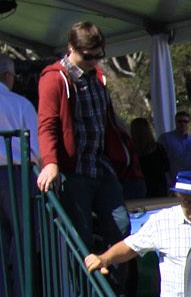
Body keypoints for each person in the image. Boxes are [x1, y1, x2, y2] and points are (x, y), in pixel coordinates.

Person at [36, 21, 131, 253]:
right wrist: (50, 162)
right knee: (80, 236)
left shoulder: (98, 78)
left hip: (100, 165)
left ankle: (115, 288)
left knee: (121, 227)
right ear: (72, 48)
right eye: (89, 56)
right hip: (74, 169)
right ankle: (82, 290)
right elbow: (46, 124)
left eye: (99, 56)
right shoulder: (54, 78)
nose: (94, 61)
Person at [83, 170, 191, 297]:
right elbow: (131, 246)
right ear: (178, 197)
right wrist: (104, 259)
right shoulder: (162, 221)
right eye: (187, 202)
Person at [0, 56, 39, 297]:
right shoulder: (20, 104)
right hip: (16, 175)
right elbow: (35, 150)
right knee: (24, 244)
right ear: (8, 76)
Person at [129, 116, 169, 199]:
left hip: (137, 186)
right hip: (157, 186)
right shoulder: (157, 148)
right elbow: (166, 167)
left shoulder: (130, 149)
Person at [161, 110, 191, 176]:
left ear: (189, 123)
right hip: (173, 181)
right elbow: (161, 162)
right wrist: (168, 181)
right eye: (180, 121)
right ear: (175, 123)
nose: (183, 124)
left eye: (185, 121)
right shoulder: (165, 139)